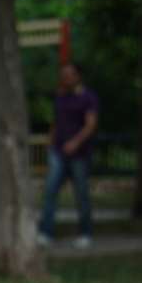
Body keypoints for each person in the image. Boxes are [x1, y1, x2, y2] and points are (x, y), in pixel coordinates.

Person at [38, 62, 98, 249]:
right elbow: (56, 123)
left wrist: (76, 142)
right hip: (58, 151)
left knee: (81, 194)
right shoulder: (60, 98)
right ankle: (46, 232)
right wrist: (50, 143)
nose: (65, 78)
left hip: (79, 153)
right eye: (63, 75)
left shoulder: (88, 97)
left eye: (69, 75)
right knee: (50, 191)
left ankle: (85, 233)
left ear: (78, 76)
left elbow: (91, 124)